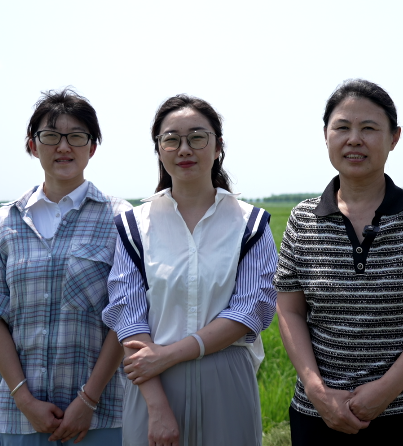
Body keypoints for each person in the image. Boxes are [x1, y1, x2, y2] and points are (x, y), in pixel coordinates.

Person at [274, 79, 403, 445]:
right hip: (319, 413)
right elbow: (289, 311)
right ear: (325, 135)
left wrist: (385, 390)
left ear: (394, 138)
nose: (355, 140)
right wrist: (318, 392)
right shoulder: (303, 219)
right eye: (342, 128)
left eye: (369, 128)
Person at [101, 94, 277, 446]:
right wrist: (156, 406)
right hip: (151, 382)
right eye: (171, 139)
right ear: (159, 149)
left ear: (218, 147)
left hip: (226, 377)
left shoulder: (251, 224)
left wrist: (167, 355)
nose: (184, 149)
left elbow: (249, 311)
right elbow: (128, 317)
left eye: (197, 138)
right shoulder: (134, 227)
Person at [0, 89, 129, 445]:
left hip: (101, 415)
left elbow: (127, 313)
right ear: (33, 145)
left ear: (92, 148)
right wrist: (24, 401)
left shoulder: (119, 218)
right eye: (51, 136)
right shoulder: (5, 221)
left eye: (77, 136)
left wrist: (88, 400)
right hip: (21, 417)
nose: (63, 147)